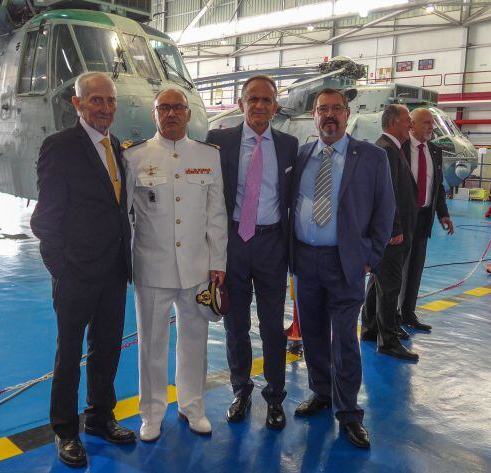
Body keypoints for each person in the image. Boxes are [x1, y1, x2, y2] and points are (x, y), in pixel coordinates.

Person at [30, 72, 135, 468]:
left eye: (110, 101)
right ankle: (66, 431)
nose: (105, 108)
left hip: (113, 271)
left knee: (107, 349)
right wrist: (61, 268)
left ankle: (99, 417)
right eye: (96, 101)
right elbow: (45, 219)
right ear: (78, 104)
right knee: (69, 354)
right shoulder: (60, 147)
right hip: (75, 272)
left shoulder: (117, 148)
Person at [291, 88, 395, 449]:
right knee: (314, 334)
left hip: (346, 261)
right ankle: (320, 392)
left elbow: (385, 211)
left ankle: (349, 412)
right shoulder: (303, 154)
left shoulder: (371, 157)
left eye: (336, 109)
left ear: (347, 114)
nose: (329, 115)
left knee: (345, 340)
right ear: (314, 116)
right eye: (323, 110)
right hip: (305, 259)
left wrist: (372, 255)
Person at [124, 88, 228, 442]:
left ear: (187, 114)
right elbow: (127, 216)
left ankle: (192, 406)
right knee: (151, 344)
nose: (171, 114)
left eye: (177, 108)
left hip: (197, 268)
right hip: (152, 267)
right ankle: (151, 413)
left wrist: (218, 263)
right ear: (154, 115)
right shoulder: (135, 157)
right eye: (163, 108)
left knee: (194, 342)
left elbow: (216, 215)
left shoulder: (207, 156)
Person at [206, 75, 298, 430]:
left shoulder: (290, 146)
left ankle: (275, 397)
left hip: (273, 244)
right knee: (236, 325)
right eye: (252, 99)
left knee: (273, 327)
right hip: (234, 244)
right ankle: (240, 390)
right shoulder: (218, 142)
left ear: (275, 106)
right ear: (241, 103)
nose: (259, 105)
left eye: (266, 100)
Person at [361, 105, 419, 361]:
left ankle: (371, 328)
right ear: (394, 121)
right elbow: (388, 193)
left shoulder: (391, 148)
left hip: (391, 231)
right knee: (390, 285)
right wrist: (394, 228)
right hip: (392, 233)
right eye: (408, 120)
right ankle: (388, 341)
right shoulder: (386, 150)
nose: (411, 125)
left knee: (378, 282)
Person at [398, 108, 454, 332]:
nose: (431, 127)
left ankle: (408, 313)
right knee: (395, 270)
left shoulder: (434, 150)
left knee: (416, 267)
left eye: (432, 123)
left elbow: (437, 185)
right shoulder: (399, 147)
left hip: (424, 216)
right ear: (411, 124)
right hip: (401, 218)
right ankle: (389, 317)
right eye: (426, 123)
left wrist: (443, 214)